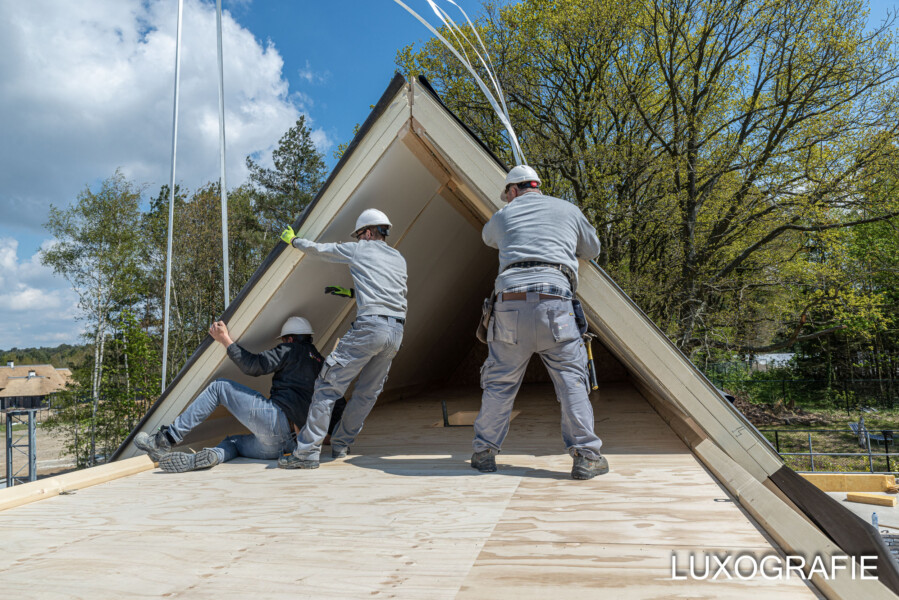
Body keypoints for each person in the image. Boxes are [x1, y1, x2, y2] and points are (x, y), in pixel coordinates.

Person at [471, 165, 609, 480]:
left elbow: (487, 237)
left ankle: (483, 453)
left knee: (500, 383)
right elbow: (593, 249)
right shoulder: (568, 210)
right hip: (555, 304)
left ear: (513, 190)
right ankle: (587, 457)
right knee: (572, 382)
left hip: (510, 307)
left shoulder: (504, 215)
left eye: (506, 194)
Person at [277, 208, 407, 469]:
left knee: (327, 385)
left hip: (370, 328)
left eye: (360, 235)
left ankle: (307, 453)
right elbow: (385, 289)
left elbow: (322, 251)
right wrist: (351, 292)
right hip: (396, 332)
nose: (358, 239)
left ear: (368, 232)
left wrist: (294, 241)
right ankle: (341, 444)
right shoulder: (399, 258)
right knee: (367, 393)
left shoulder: (361, 249)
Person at [133, 316, 341, 473]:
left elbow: (254, 366)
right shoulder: (322, 363)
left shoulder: (291, 350)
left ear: (289, 339)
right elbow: (336, 405)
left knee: (219, 388)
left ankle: (164, 441)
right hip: (290, 446)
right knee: (233, 443)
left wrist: (225, 339)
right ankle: (214, 455)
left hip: (277, 421)